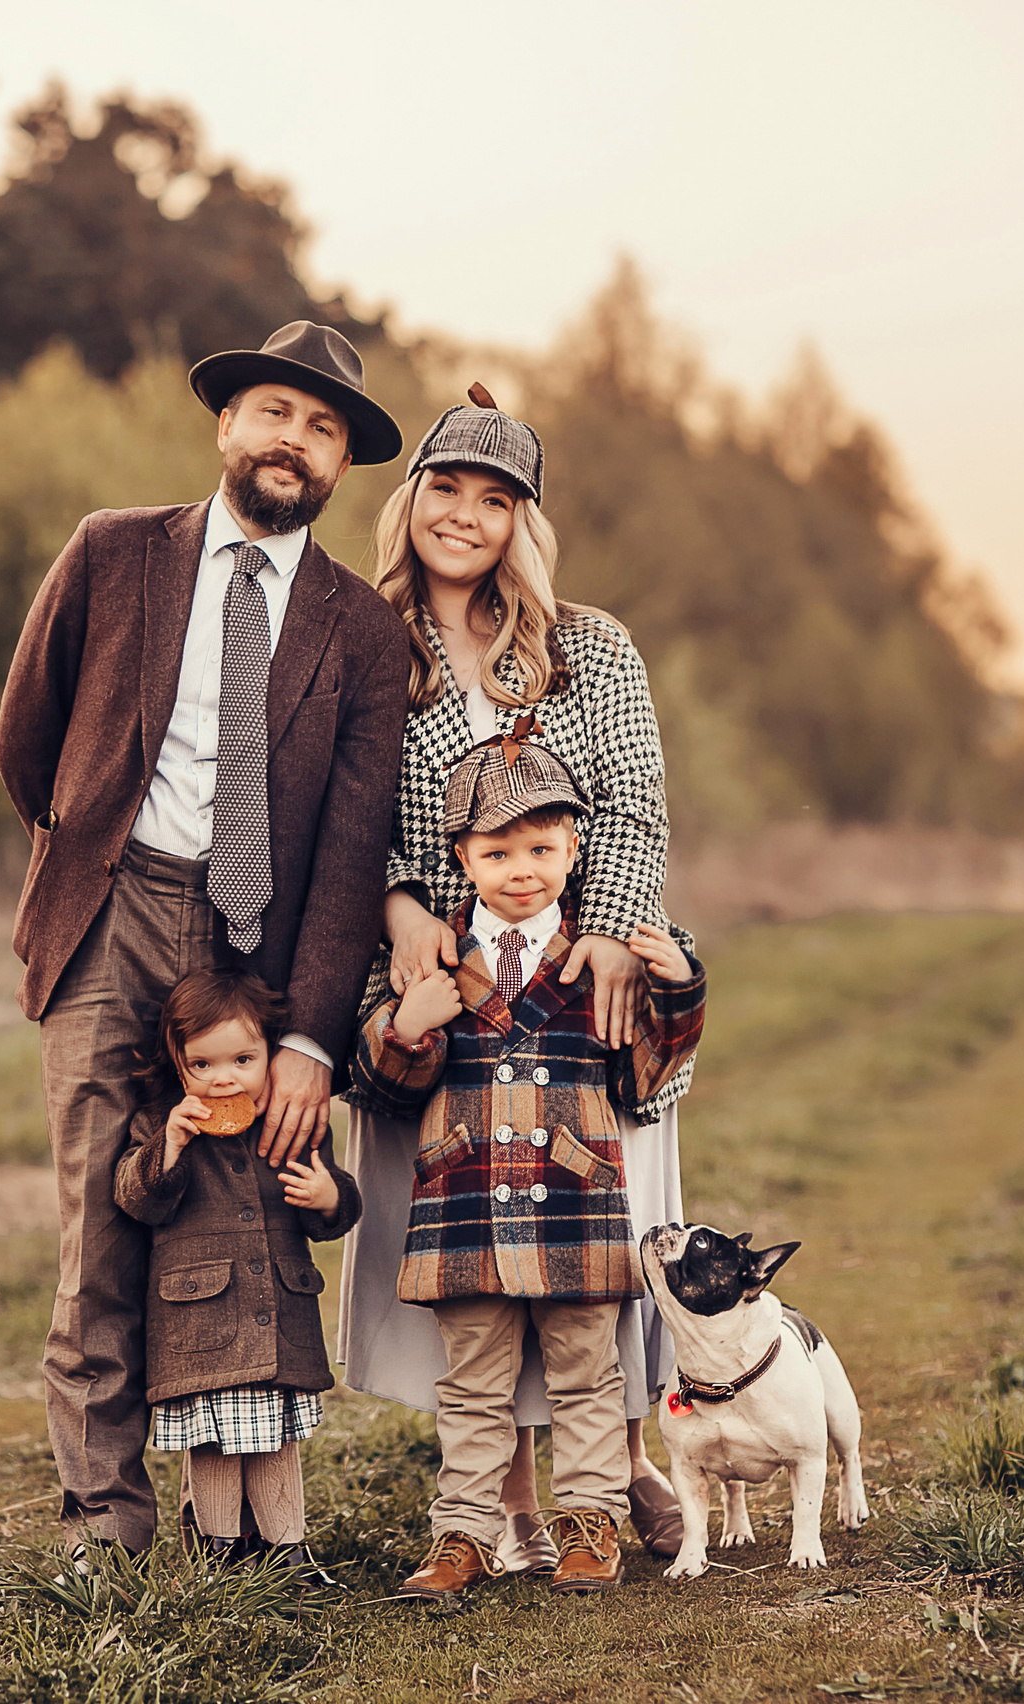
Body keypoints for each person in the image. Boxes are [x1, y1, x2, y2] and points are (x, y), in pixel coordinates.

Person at [0, 321, 413, 1565]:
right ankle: (102, 1528)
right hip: (111, 914)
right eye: (277, 412)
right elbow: (27, 738)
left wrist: (306, 1041)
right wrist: (85, 851)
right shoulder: (111, 553)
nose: (297, 440)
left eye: (326, 428)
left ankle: (229, 1513)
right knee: (103, 1222)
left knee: (233, 1222)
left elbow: (348, 855)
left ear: (341, 467)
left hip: (256, 949)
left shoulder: (360, 630)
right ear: (227, 426)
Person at [336, 387, 698, 1574]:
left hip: (579, 980)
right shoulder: (365, 645)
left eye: (496, 500)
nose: (465, 516)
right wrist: (397, 908)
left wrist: (608, 930)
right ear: (410, 497)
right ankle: (510, 1497)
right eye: (446, 487)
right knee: (479, 1250)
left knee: (591, 1234)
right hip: (445, 983)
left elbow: (636, 805)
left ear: (522, 522)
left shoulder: (586, 644)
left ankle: (623, 1462)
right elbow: (351, 816)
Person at [351, 734, 705, 1600]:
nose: (522, 870)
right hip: (464, 1207)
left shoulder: (596, 962)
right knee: (472, 1388)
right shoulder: (430, 964)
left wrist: (681, 989)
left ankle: (590, 1522)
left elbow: (643, 1076)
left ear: (575, 848)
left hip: (575, 1209)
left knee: (591, 1375)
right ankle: (463, 1534)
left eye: (542, 849)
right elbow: (379, 1087)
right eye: (497, 851)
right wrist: (404, 1030)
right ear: (461, 857)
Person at [113, 970, 362, 1585]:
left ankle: (290, 1552)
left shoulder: (290, 1121)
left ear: (271, 1053)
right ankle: (218, 1555)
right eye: (203, 1064)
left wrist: (328, 1195)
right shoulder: (161, 1124)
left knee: (277, 1442)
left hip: (278, 1314)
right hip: (198, 1324)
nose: (225, 1079)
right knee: (215, 1446)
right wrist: (168, 1146)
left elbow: (337, 1214)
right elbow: (135, 1198)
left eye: (244, 1059)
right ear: (178, 1063)